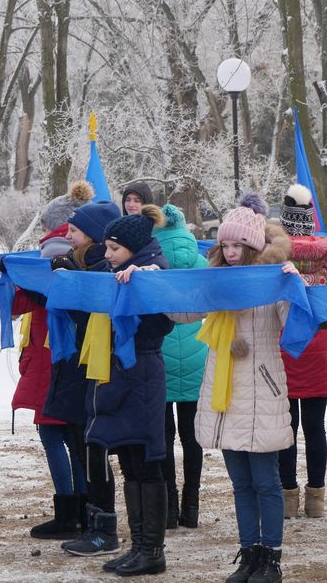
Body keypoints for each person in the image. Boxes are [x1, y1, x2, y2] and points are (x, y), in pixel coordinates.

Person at [0, 183, 94, 541]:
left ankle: (71, 511)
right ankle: (83, 509)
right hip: (67, 359)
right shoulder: (78, 255)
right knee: (74, 436)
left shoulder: (54, 255)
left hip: (54, 361)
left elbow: (18, 301)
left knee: (56, 433)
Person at [167, 194, 297, 583]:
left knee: (266, 481)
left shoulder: (271, 280)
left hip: (262, 390)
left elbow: (294, 322)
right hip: (224, 392)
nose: (231, 251)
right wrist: (147, 278)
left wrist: (292, 284)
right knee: (241, 483)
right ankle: (249, 553)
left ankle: (270, 556)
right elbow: (181, 310)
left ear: (253, 245)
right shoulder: (216, 281)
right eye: (225, 244)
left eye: (238, 244)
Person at [97, 205, 175, 577]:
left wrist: (144, 277)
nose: (108, 255)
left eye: (113, 249)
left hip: (144, 371)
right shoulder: (117, 274)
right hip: (123, 373)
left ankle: (152, 550)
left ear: (132, 247)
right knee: (129, 462)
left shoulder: (153, 270)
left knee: (146, 463)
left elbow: (163, 314)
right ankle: (138, 545)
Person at [45, 199, 123, 557]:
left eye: (74, 230)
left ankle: (104, 528)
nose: (68, 235)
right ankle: (94, 524)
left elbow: (95, 305)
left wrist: (72, 279)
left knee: (93, 450)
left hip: (93, 367)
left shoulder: (99, 265)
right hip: (77, 366)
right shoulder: (79, 261)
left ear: (91, 233)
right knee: (82, 447)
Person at [277, 184, 327, 520]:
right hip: (320, 341)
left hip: (284, 341)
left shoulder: (274, 257)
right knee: (314, 426)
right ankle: (317, 498)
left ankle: (288, 495)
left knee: (286, 424)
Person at [153, 204, 208, 529]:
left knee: (164, 436)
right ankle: (192, 503)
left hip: (160, 356)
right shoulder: (200, 263)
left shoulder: (150, 265)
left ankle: (169, 503)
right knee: (192, 437)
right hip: (196, 356)